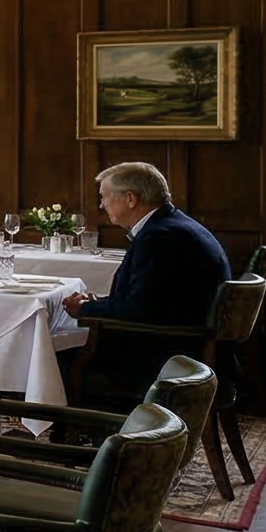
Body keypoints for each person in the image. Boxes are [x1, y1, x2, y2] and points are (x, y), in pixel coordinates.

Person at [64, 161, 230, 399]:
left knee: (63, 354)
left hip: (166, 354)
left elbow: (139, 309)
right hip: (185, 338)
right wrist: (98, 303)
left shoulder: (160, 237)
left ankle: (92, 429)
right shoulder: (171, 225)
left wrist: (86, 308)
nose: (101, 205)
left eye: (104, 197)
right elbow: (154, 297)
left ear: (130, 199)